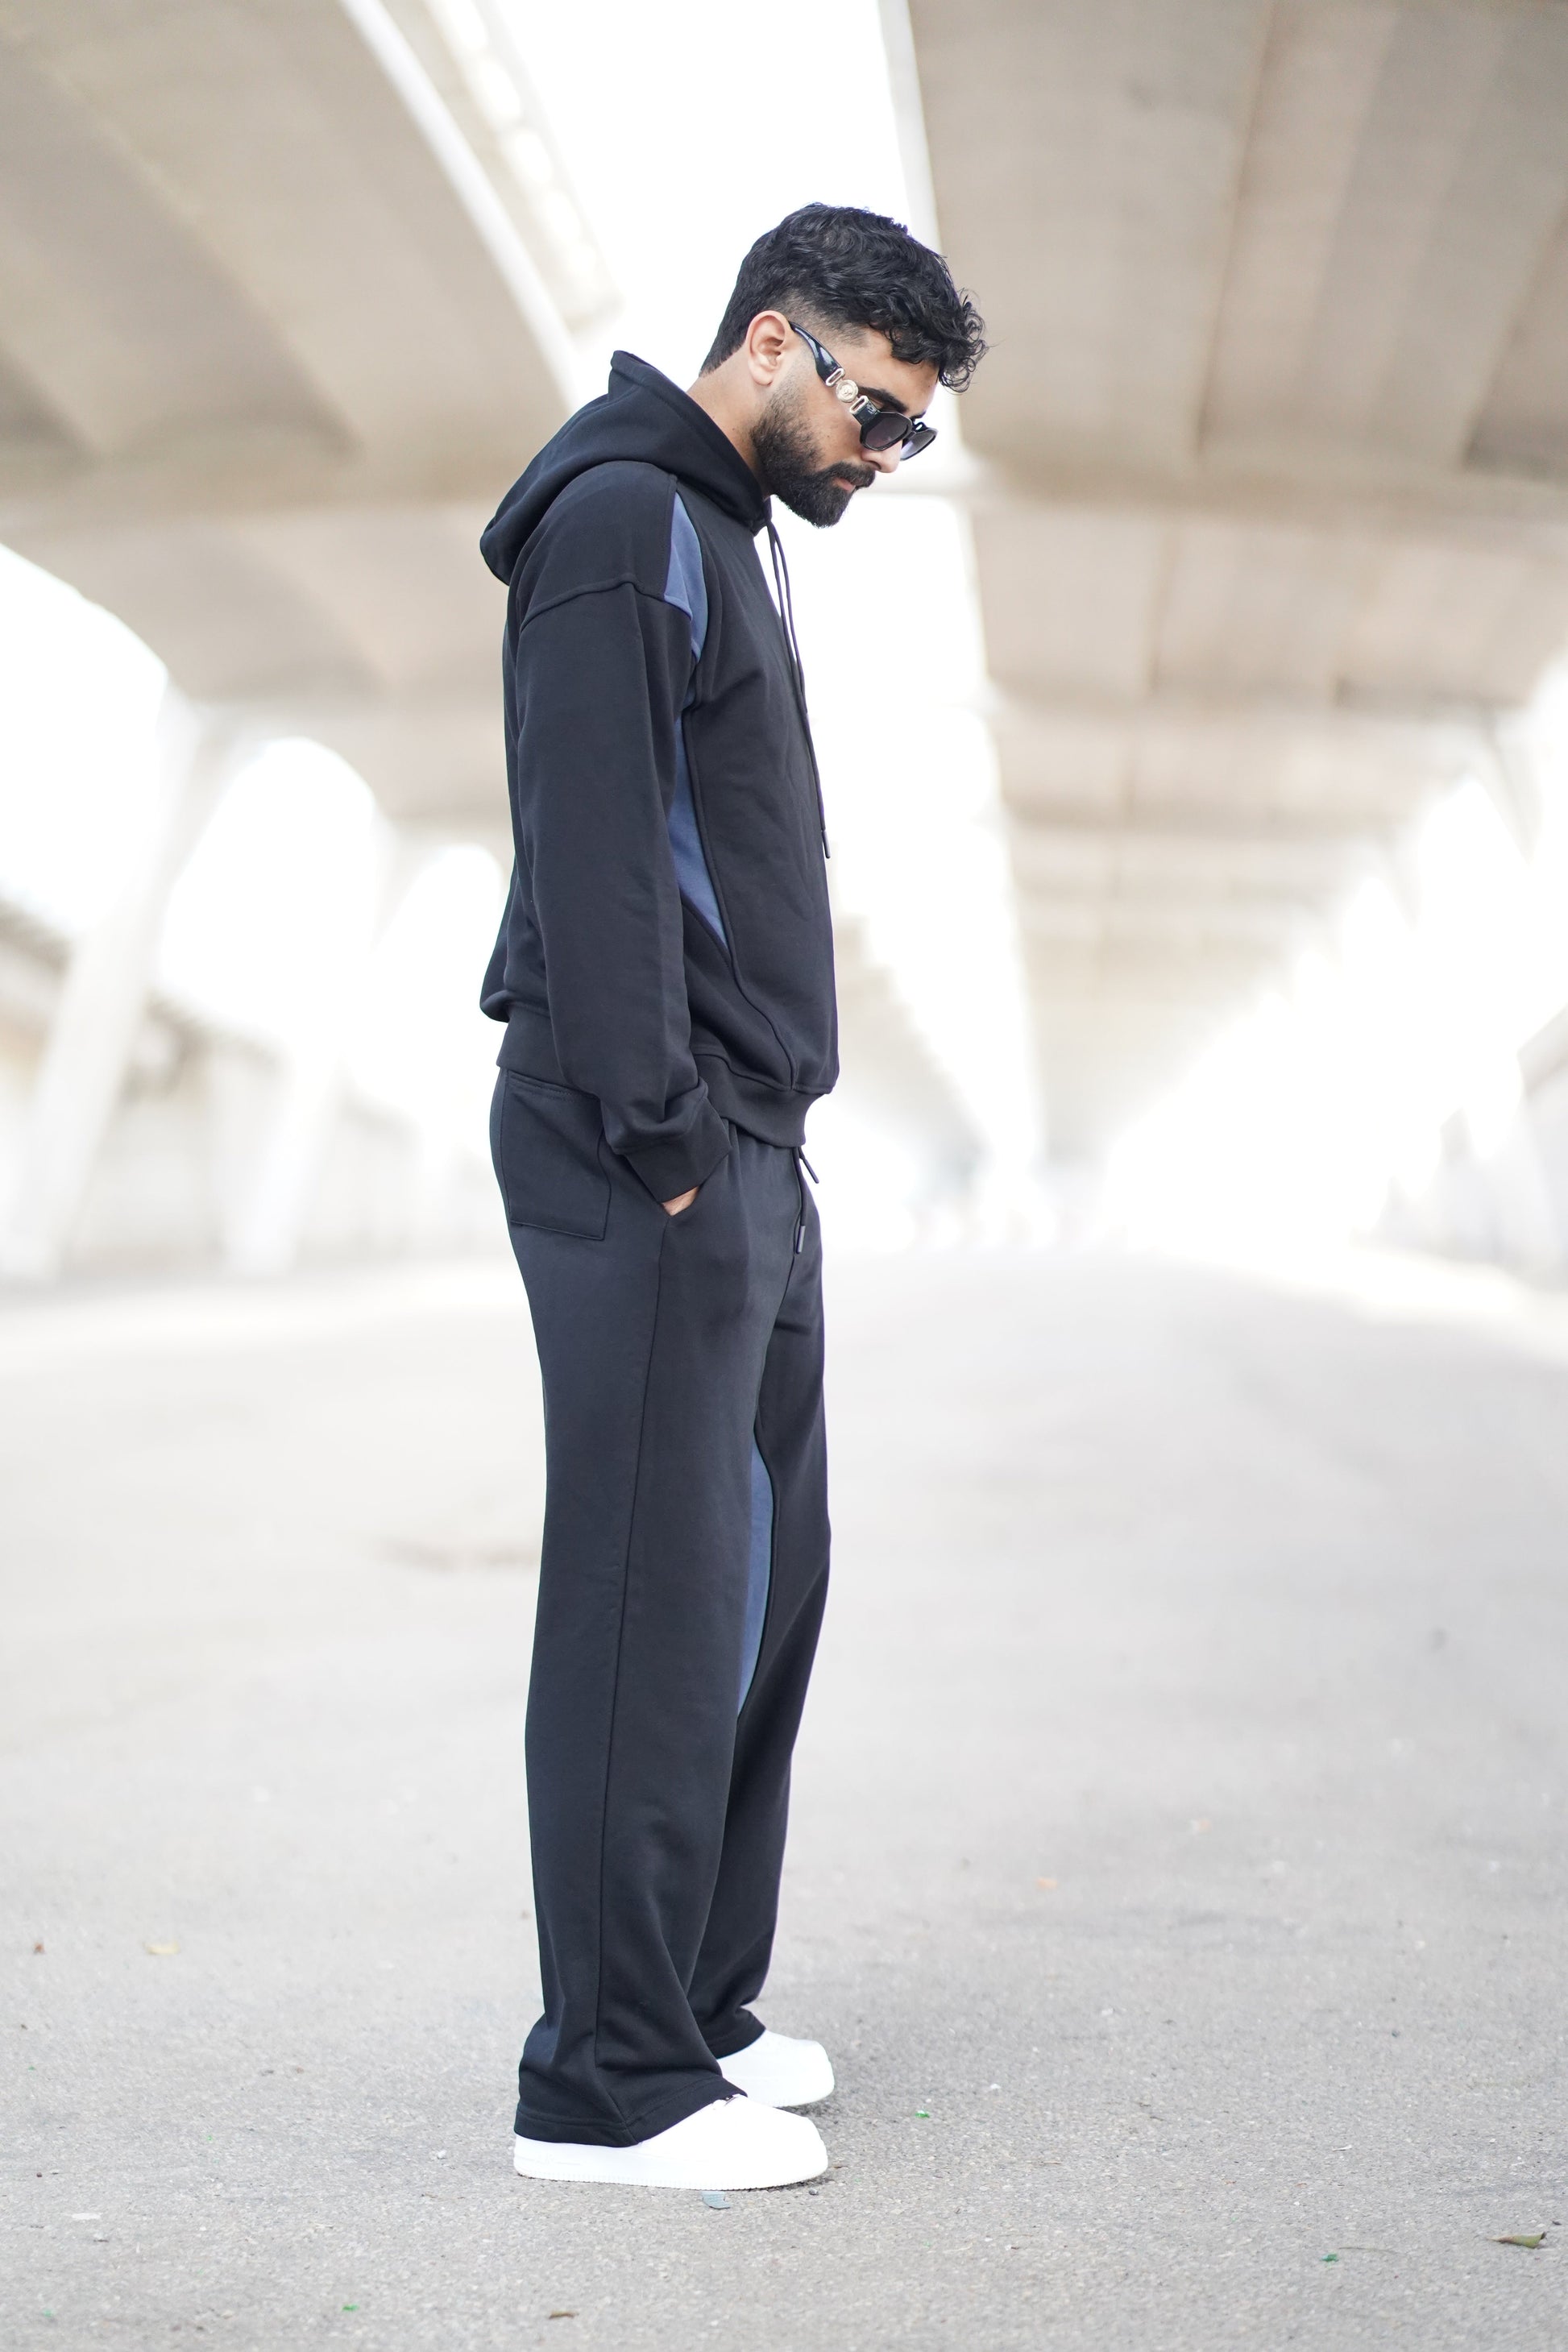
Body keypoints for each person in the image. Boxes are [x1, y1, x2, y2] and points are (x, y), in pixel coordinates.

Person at [479, 203, 985, 2190]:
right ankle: (603, 2082)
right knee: (650, 1590)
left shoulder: (725, 528)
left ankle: (692, 2002)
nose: (886, 452)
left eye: (912, 431)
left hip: (750, 1141)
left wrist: (746, 1137)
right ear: (772, 342)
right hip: (651, 1147)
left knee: (762, 1578)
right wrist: (671, 1135)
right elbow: (597, 848)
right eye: (877, 411)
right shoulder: (623, 521)